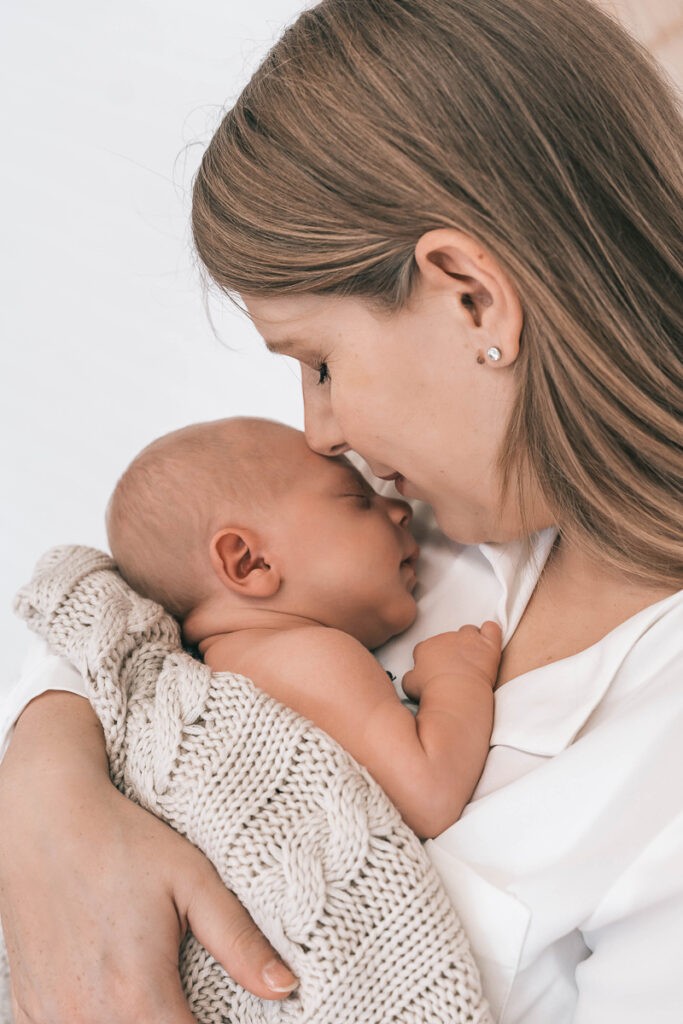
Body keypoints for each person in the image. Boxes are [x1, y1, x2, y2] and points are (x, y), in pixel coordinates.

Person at [0, 0, 680, 1021]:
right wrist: (46, 793)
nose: (316, 432)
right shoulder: (411, 514)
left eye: (319, 362)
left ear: (471, 297)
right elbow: (129, 594)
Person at [105, 415, 501, 839]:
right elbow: (428, 798)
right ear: (251, 563)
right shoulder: (305, 658)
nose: (401, 511)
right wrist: (456, 679)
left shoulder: (226, 666)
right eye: (357, 499)